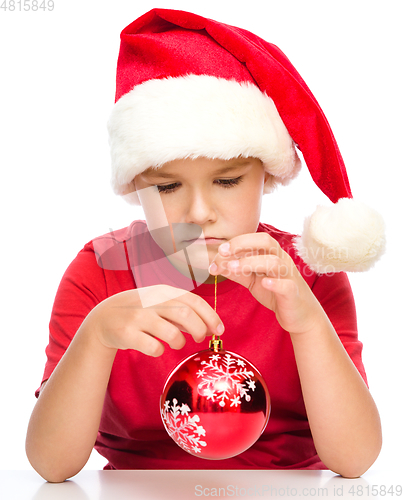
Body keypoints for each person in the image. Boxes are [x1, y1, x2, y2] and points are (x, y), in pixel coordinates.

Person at [25, 8, 385, 483]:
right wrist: (96, 337)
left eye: (228, 180)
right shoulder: (100, 271)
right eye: (168, 187)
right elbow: (52, 467)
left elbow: (355, 461)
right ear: (136, 186)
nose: (198, 212)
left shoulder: (305, 272)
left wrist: (308, 326)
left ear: (266, 176)